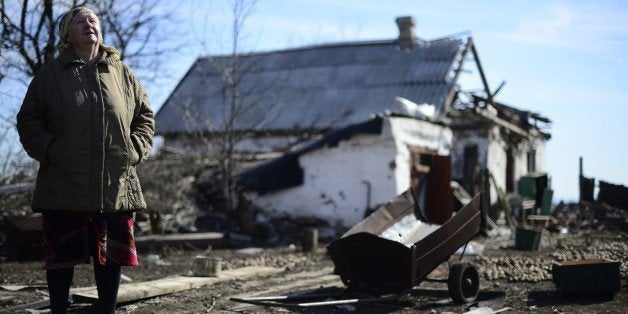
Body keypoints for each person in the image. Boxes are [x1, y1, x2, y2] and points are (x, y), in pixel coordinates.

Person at [16, 6, 154, 314]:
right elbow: (28, 120)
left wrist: (134, 149)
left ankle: (106, 310)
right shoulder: (51, 74)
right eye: (79, 21)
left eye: (93, 19)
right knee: (61, 257)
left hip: (114, 182)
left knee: (112, 257)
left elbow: (145, 115)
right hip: (65, 182)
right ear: (68, 35)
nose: (88, 23)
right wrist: (52, 150)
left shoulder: (122, 72)